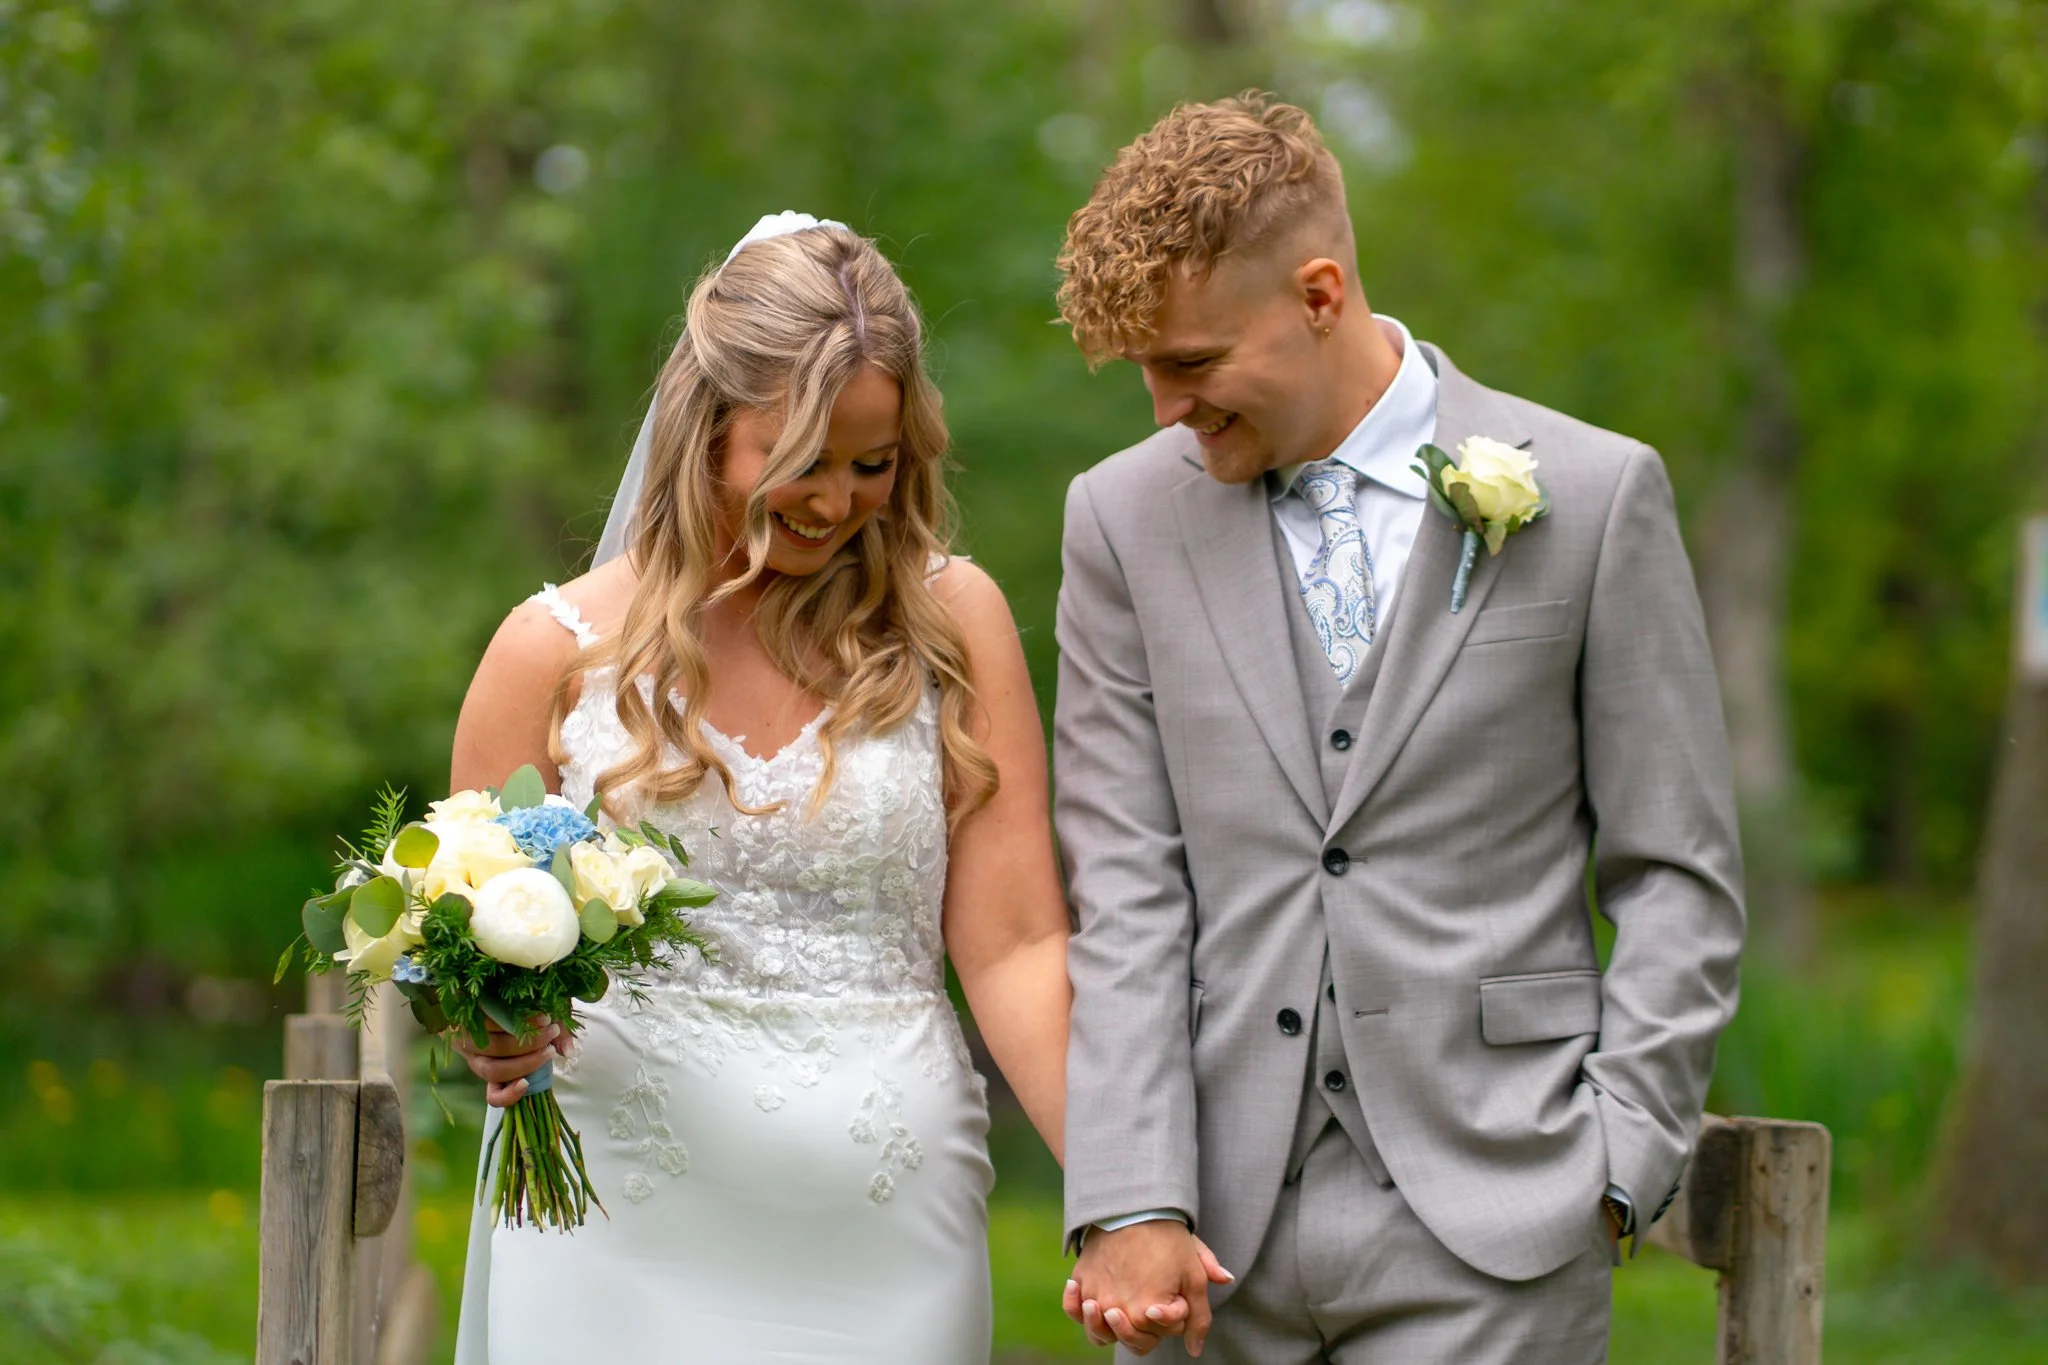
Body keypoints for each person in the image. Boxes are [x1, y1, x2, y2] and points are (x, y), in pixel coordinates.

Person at [1053, 95, 1746, 1362]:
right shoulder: (1116, 522)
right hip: (1207, 1243)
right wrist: (1130, 1194)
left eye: (1193, 364)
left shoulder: (1590, 497)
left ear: (1319, 294)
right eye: (1141, 371)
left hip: (1502, 1218)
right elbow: (1125, 887)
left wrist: (1616, 1160)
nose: (1162, 409)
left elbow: (1675, 874)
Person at [443, 214, 1074, 1364]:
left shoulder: (952, 624)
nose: (836, 502)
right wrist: (485, 1024)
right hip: (611, 1218)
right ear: (705, 429)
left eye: (870, 464)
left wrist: (1125, 1192)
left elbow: (1016, 943)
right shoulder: (549, 650)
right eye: (798, 465)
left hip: (888, 1223)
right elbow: (471, 947)